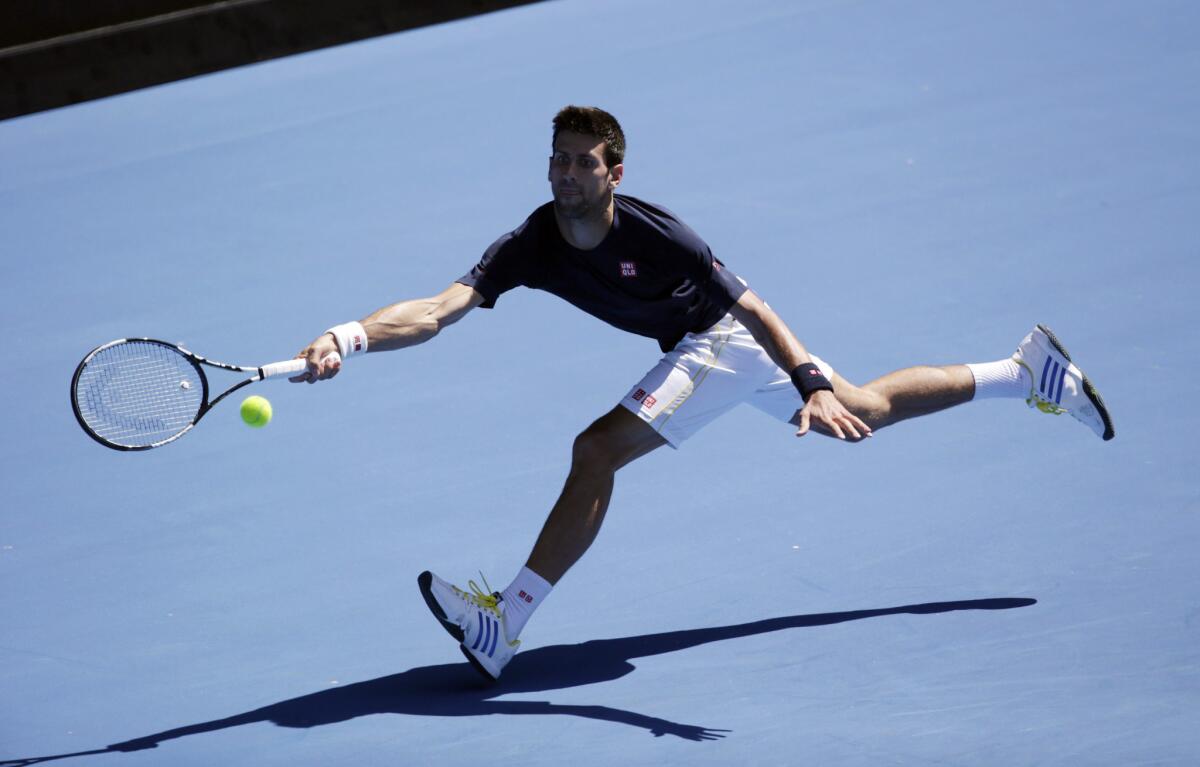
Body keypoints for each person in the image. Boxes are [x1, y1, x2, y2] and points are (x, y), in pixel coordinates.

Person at [291, 105, 1114, 681]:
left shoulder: (659, 234)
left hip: (720, 339)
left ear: (615, 171)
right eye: (559, 158)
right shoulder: (532, 242)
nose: (568, 173)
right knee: (864, 409)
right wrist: (347, 336)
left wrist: (805, 381)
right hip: (705, 347)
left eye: (585, 161)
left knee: (597, 449)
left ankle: (504, 622)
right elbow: (439, 308)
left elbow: (752, 304)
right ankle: (1026, 371)